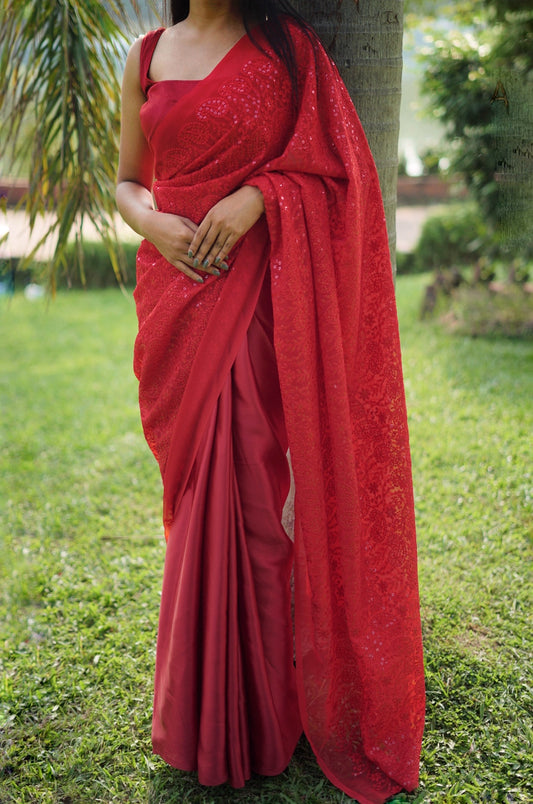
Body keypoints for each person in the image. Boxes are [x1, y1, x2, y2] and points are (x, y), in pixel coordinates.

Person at [116, 2, 426, 802]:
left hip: (251, 295)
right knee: (195, 503)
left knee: (253, 501)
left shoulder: (287, 49)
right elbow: (123, 181)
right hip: (174, 295)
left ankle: (260, 717)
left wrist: (257, 197)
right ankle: (196, 716)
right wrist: (154, 226)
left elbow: (336, 167)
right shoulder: (146, 52)